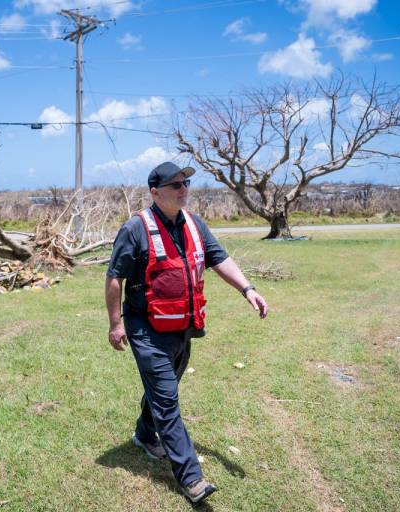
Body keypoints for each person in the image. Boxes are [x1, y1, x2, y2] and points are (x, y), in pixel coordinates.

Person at [104, 161, 269, 504]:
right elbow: (114, 278)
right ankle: (192, 478)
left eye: (185, 183)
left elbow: (219, 258)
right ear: (155, 192)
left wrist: (248, 289)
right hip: (147, 329)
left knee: (163, 390)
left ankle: (144, 435)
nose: (183, 189)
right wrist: (116, 323)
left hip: (183, 327)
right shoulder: (135, 229)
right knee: (167, 400)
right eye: (175, 184)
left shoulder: (194, 224)